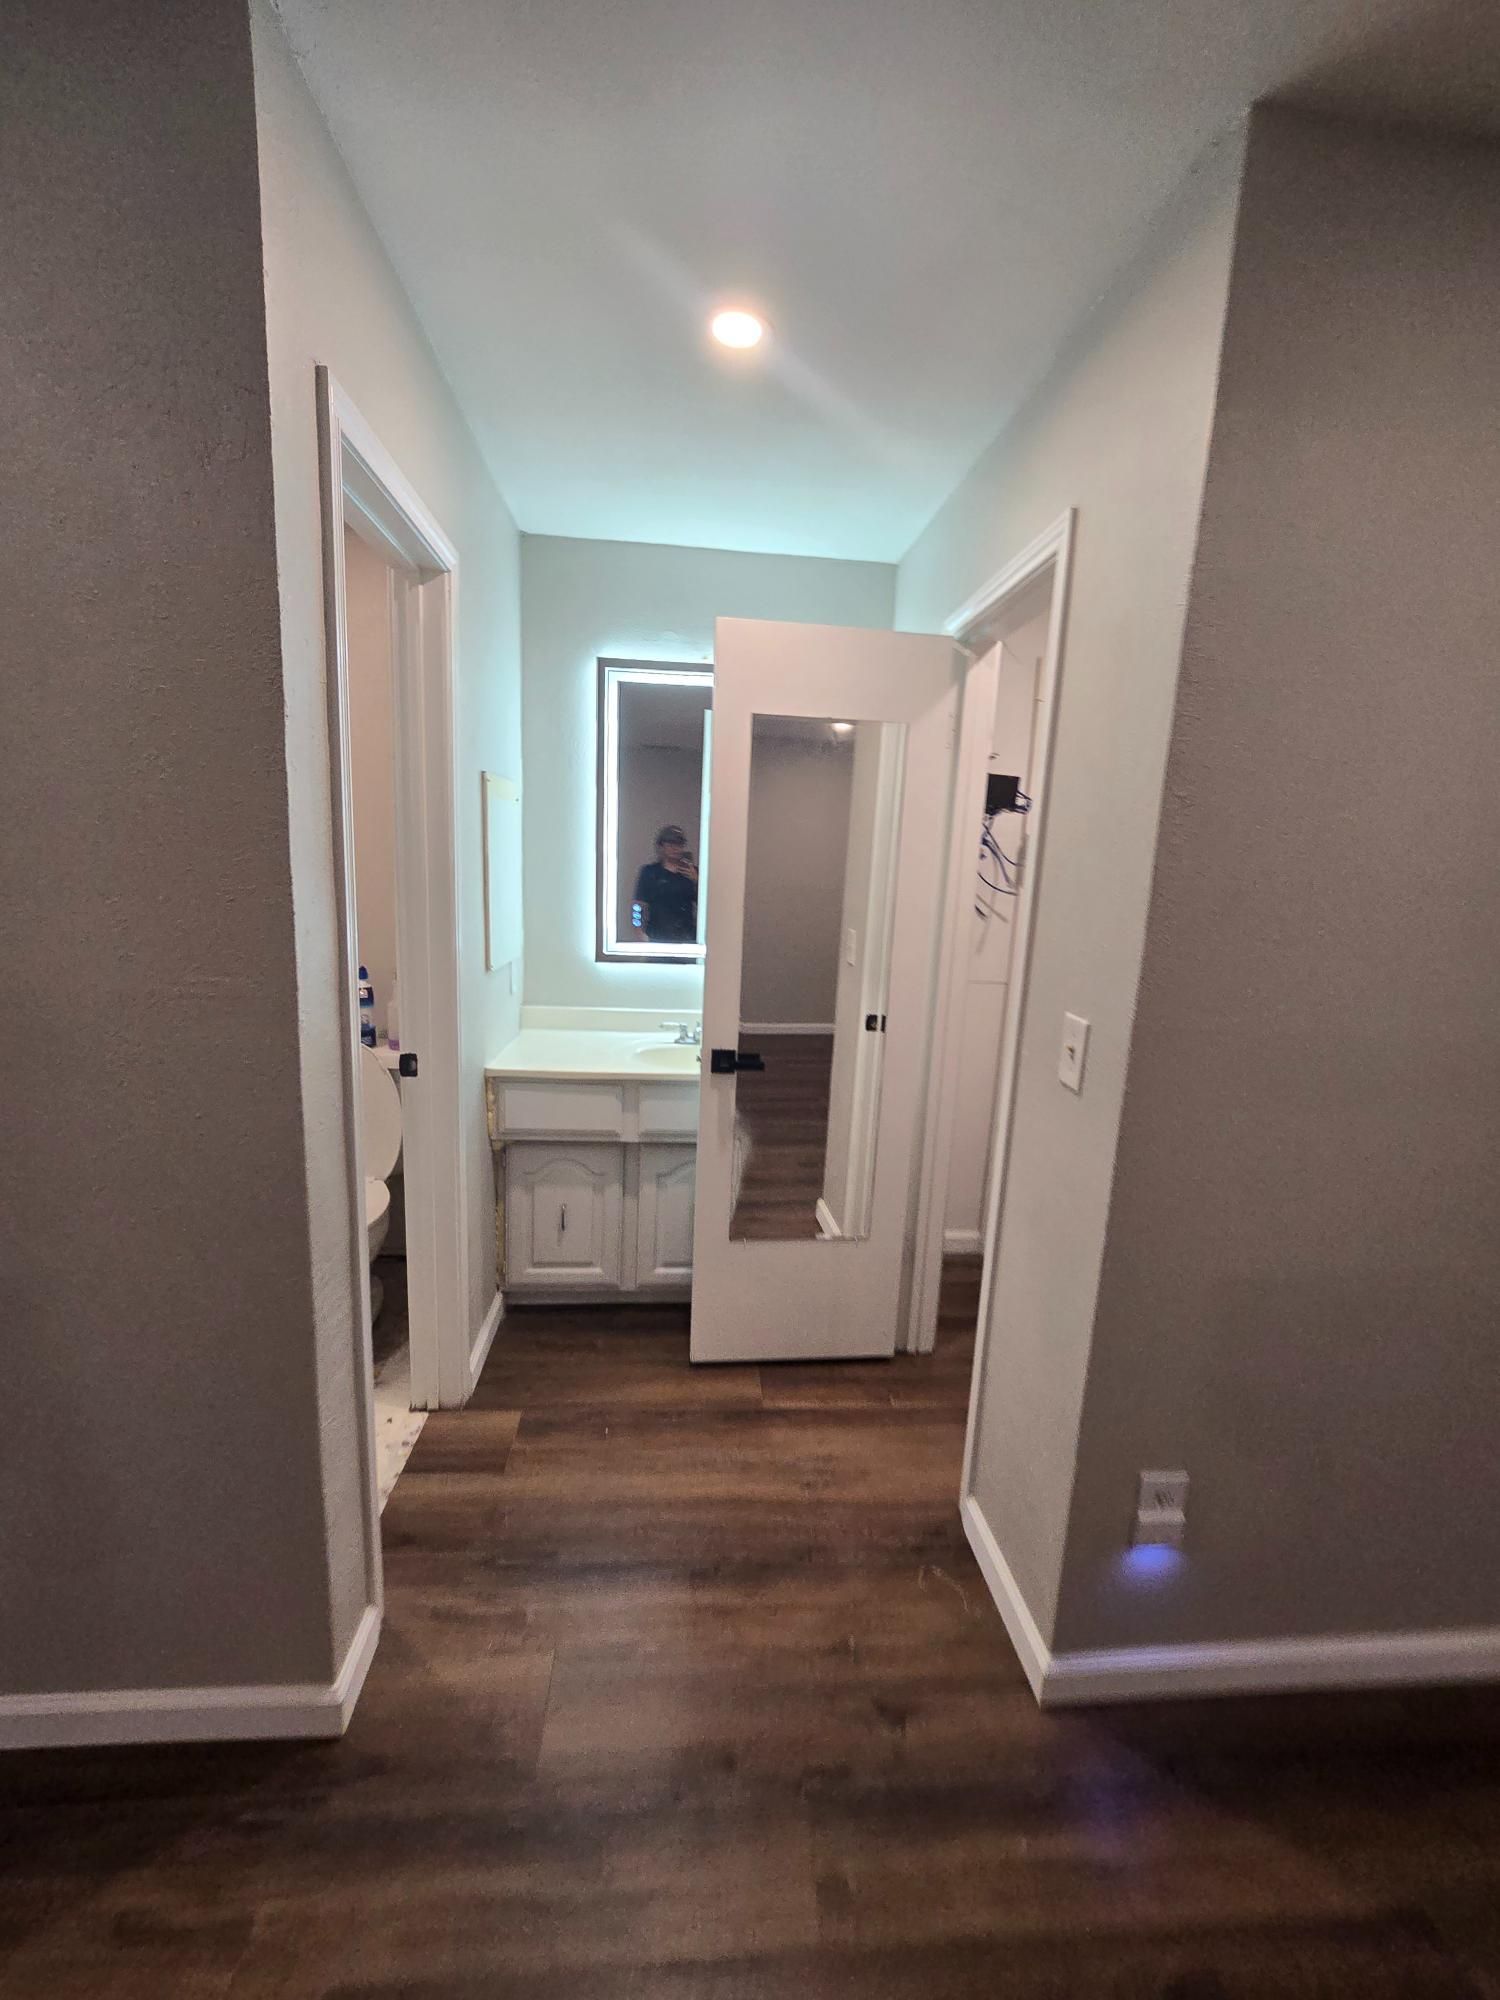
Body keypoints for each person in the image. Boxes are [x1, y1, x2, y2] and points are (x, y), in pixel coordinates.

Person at [632, 824, 699, 943]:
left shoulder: (693, 872)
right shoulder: (649, 872)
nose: (675, 848)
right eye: (670, 843)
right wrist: (638, 930)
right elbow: (638, 905)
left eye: (679, 844)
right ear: (661, 846)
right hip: (656, 936)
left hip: (687, 938)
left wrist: (697, 881)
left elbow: (707, 907)